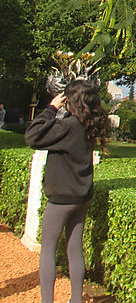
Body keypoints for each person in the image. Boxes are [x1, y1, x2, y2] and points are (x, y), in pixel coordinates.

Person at [25, 80, 109, 303]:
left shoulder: (68, 125)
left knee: (48, 250)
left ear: (70, 101)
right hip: (82, 196)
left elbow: (32, 136)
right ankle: (75, 300)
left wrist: (51, 108)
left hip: (61, 199)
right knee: (74, 249)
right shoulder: (89, 125)